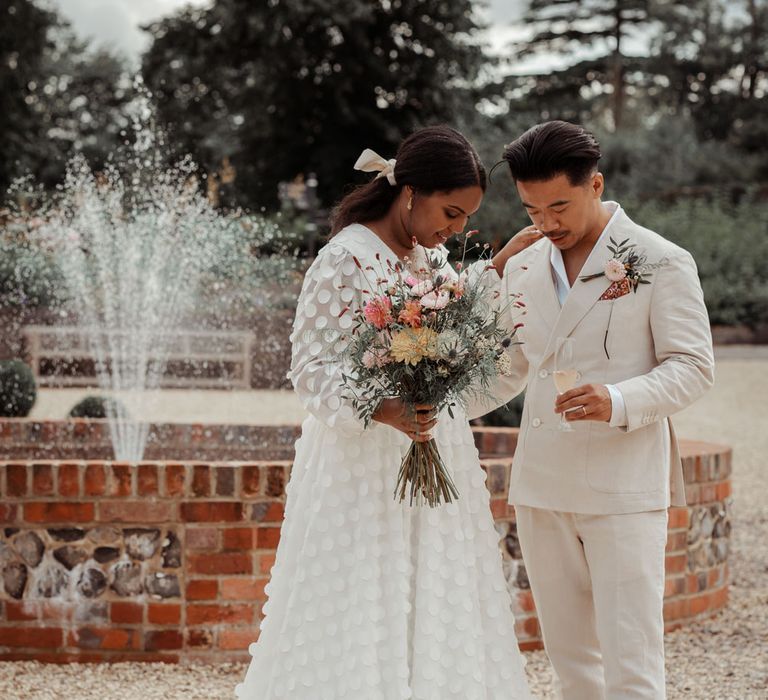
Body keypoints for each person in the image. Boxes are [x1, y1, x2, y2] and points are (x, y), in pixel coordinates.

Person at [235, 125, 538, 700]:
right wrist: (383, 407)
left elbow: (462, 325)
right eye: (450, 212)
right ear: (409, 193)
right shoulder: (343, 259)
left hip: (434, 446)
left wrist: (496, 269)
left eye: (463, 217)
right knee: (362, 593)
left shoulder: (434, 260)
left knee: (438, 592)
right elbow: (311, 368)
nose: (454, 229)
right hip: (364, 459)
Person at [496, 120, 715, 699]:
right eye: (532, 209)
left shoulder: (661, 261)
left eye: (559, 207)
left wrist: (617, 400)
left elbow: (692, 367)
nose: (546, 224)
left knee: (632, 665)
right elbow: (513, 366)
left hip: (622, 486)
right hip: (541, 485)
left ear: (596, 185)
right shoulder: (521, 265)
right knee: (572, 667)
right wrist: (431, 402)